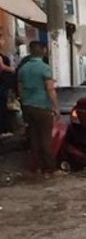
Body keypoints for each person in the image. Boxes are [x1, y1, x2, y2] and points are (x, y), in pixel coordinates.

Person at [18, 41, 60, 173]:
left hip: (27, 107)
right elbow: (50, 88)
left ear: (30, 52)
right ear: (43, 51)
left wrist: (25, 103)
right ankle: (50, 169)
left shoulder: (23, 69)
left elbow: (20, 89)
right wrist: (56, 107)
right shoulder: (44, 68)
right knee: (45, 139)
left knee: (34, 138)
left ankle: (36, 167)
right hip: (42, 107)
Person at [0, 36, 15, 134]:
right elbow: (1, 67)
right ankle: (3, 130)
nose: (2, 41)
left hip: (4, 84)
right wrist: (12, 69)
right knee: (2, 107)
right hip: (1, 85)